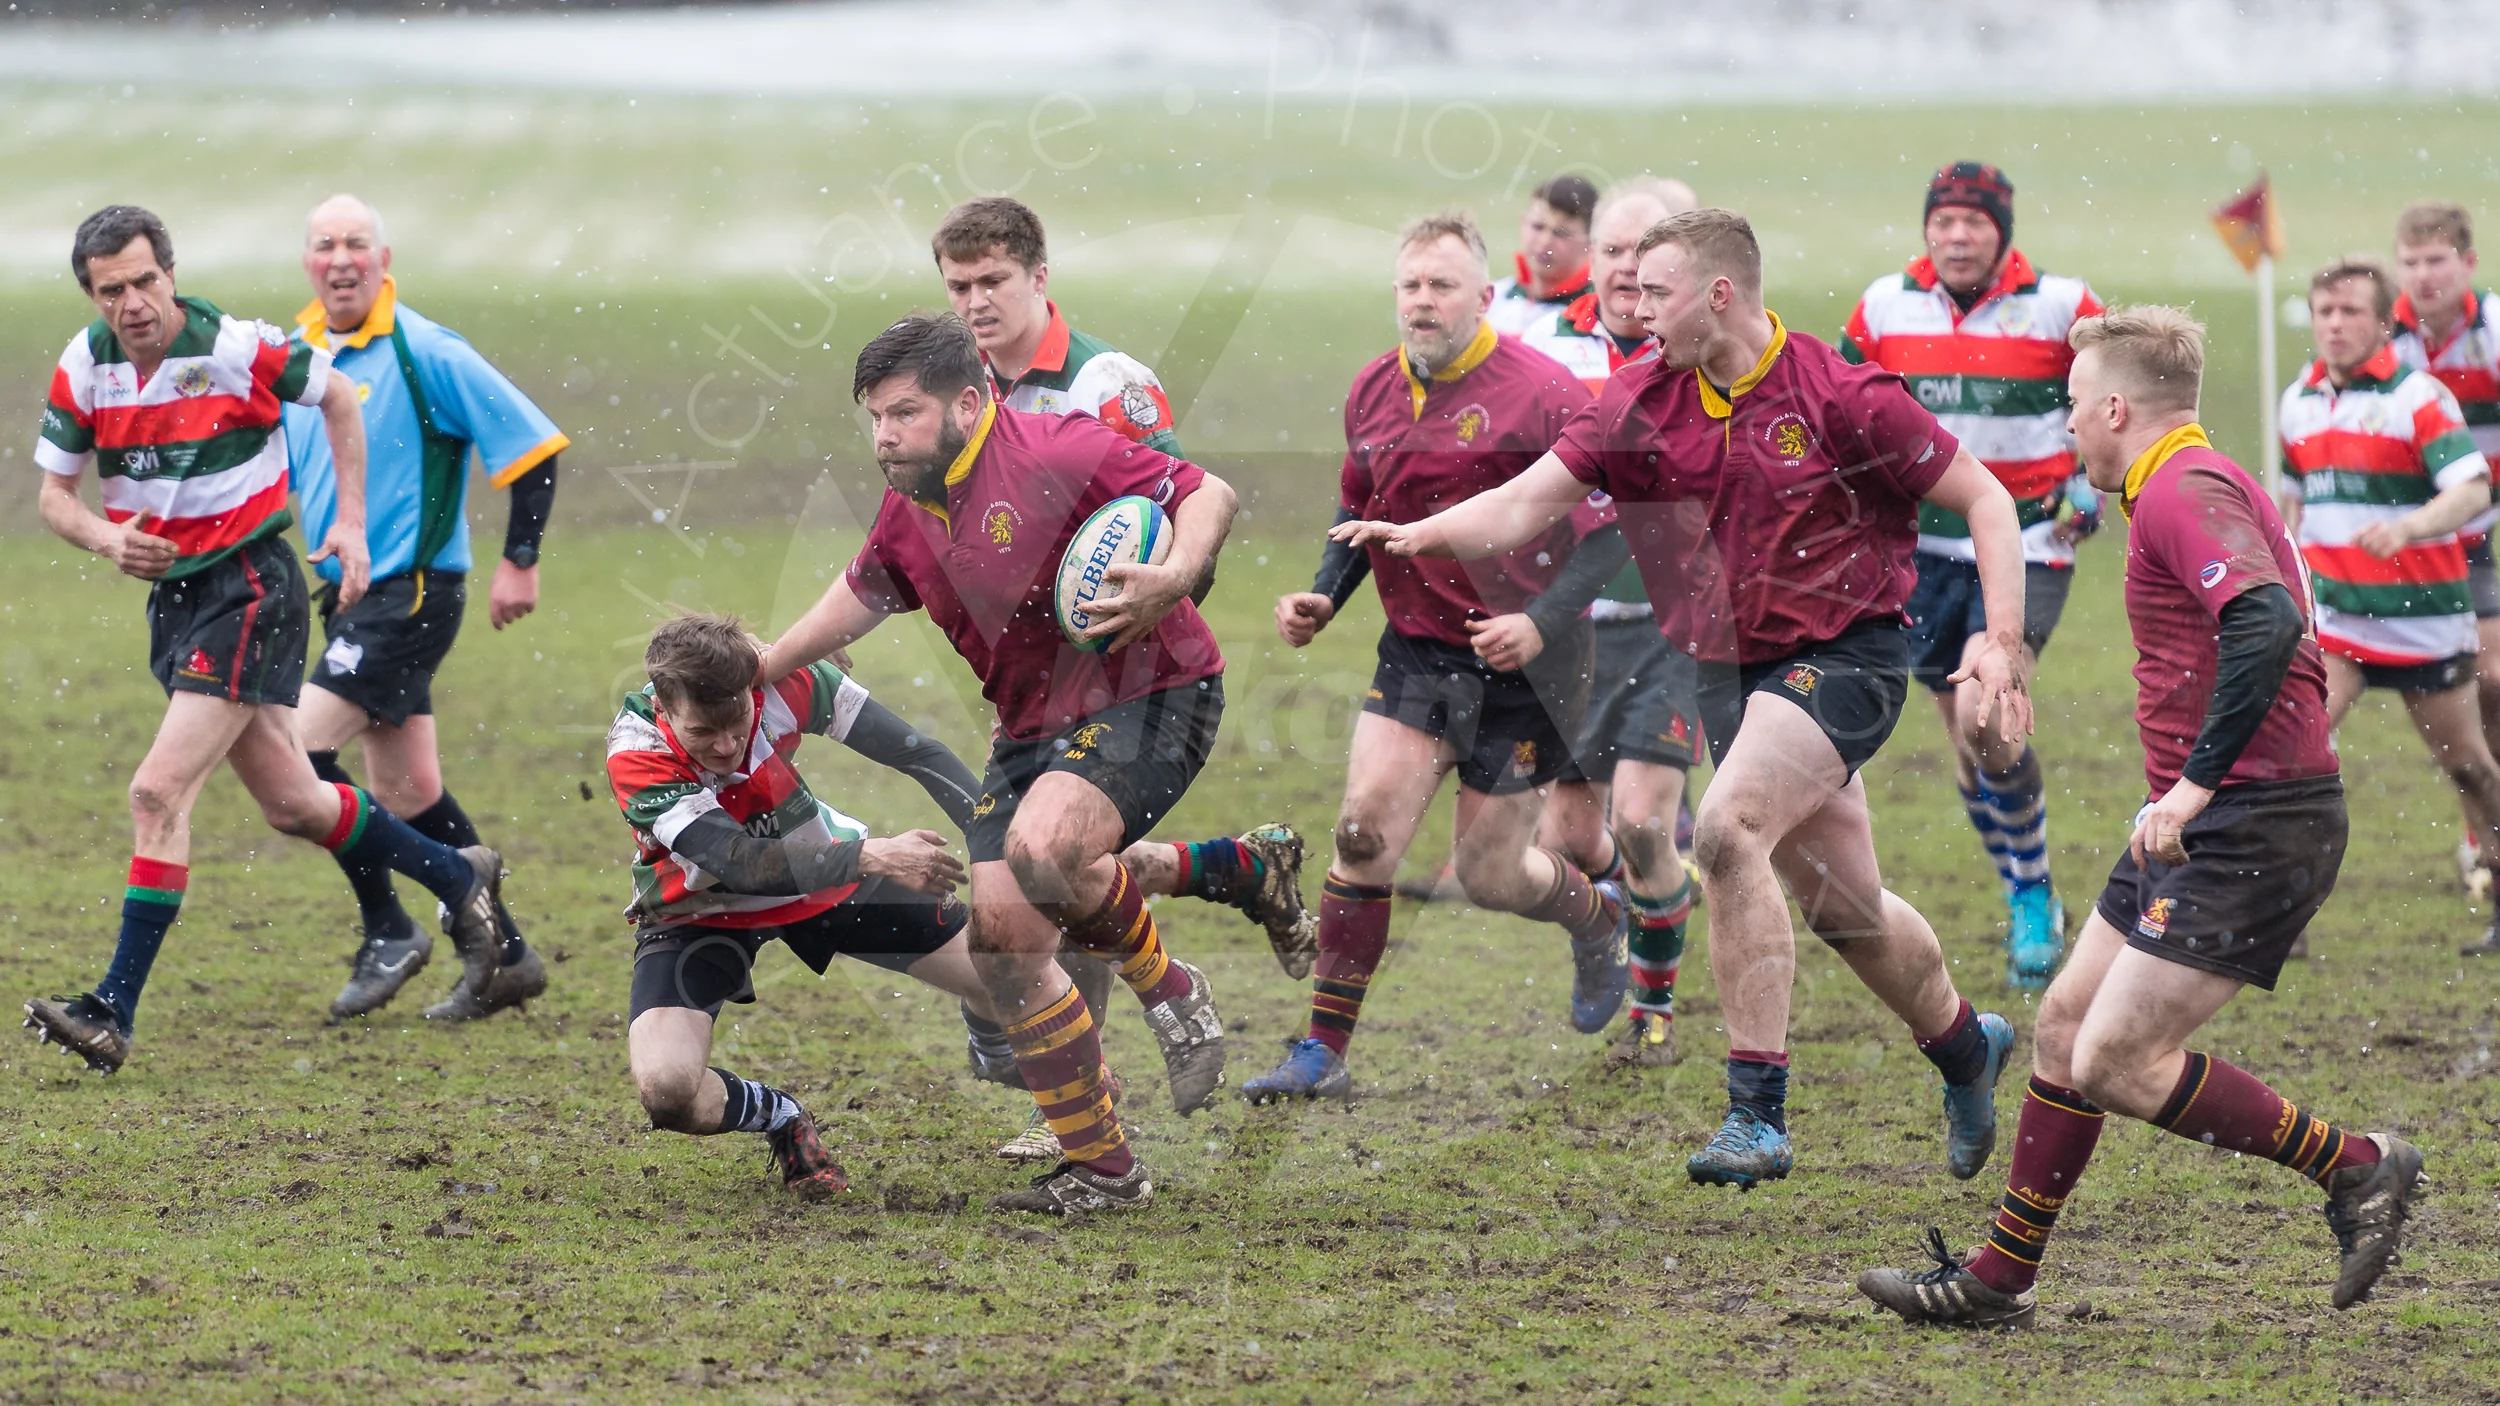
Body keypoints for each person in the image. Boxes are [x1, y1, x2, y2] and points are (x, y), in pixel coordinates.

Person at [1331, 209, 2022, 1189]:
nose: (1631, 306)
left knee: (1726, 831)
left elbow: (1986, 499)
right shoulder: (1637, 398)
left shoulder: (1841, 393)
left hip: (1849, 654)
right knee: (1844, 907)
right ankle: (1964, 1046)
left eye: (1655, 292)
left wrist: (1999, 646)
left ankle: (1755, 1111)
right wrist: (1417, 532)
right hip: (1727, 668)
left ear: (1719, 294)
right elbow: (1525, 503)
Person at [1857, 307, 2421, 1328]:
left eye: (2072, 406)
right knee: (2066, 1028)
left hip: (2255, 818)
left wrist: (2195, 783)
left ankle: (2359, 1166)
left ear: (2116, 407)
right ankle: (1999, 1275)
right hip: (2206, 815)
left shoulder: (2180, 487)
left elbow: (2266, 619)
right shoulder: (2182, 481)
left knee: (2117, 1058)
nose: (2065, 426)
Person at [761, 313, 1240, 1214]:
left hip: (1156, 693)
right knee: (1006, 947)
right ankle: (1107, 1171)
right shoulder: (912, 502)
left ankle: (1168, 992)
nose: (884, 437)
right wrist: (768, 664)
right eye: (874, 418)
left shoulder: (1058, 448)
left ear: (970, 403)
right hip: (1031, 729)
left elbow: (1208, 491)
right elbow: (864, 592)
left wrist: (1176, 574)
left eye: (903, 414)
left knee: (1043, 849)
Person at [23, 206, 504, 1073]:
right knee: (295, 803)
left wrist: (350, 526)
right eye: (110, 291)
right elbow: (54, 496)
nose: (132, 303)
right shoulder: (84, 366)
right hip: (174, 599)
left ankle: (112, 1010)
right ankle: (454, 876)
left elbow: (340, 397)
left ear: (170, 274)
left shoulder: (235, 346)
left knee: (156, 793)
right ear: (91, 295)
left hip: (249, 586)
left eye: (144, 282)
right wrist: (105, 538)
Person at [928, 197, 1313, 1159]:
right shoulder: (956, 388)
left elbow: (1186, 513)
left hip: (1133, 673)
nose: (975, 303)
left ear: (1038, 276)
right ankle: (1234, 868)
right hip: (1028, 686)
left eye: (993, 283)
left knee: (1054, 864)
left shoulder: (1104, 381)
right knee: (1048, 874)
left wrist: (1165, 588)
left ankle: (1080, 1113)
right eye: (958, 286)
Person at [1247, 210, 1629, 1106]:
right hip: (1418, 653)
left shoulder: (1545, 394)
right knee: (1362, 831)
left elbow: (1612, 538)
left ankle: (1597, 915)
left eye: (1443, 285)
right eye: (1411, 285)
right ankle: (1323, 1050)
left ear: (1485, 297)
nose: (1423, 301)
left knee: (1496, 878)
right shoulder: (1371, 391)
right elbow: (1357, 513)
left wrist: (1537, 621)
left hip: (1535, 665)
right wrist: (1321, 597)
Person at [616, 614, 1020, 1201]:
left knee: (1011, 974)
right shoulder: (638, 752)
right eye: (704, 733)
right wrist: (868, 856)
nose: (726, 746)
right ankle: (781, 1117)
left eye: (737, 722)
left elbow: (921, 754)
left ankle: (1000, 1055)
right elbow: (739, 862)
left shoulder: (781, 679)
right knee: (668, 1090)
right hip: (700, 911)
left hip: (821, 881)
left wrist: (997, 850)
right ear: (665, 706)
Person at [283, 194, 565, 1022]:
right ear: (308, 262)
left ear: (384, 258)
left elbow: (535, 447)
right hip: (345, 597)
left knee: (299, 754)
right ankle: (507, 956)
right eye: (325, 244)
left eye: (357, 243)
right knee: (408, 791)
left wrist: (520, 562)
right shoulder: (295, 356)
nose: (341, 258)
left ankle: (390, 926)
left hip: (409, 591)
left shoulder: (426, 350)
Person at [1842, 162, 2106, 990]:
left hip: (2028, 544)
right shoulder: (1885, 306)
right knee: (1972, 746)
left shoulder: (2064, 306)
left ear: (2003, 231)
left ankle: (2031, 892)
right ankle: (2027, 881)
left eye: (1974, 223)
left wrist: (2089, 481)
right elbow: (1838, 407)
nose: (1956, 237)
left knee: (1987, 716)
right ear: (1926, 229)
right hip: (1918, 552)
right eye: (1943, 222)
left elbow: (2122, 397)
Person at [1522, 176, 1707, 1067]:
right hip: (1568, 631)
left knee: (1640, 822)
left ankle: (1653, 1005)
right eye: (1612, 252)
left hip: (1677, 629)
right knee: (1566, 839)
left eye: (1647, 253)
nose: (1628, 271)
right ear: (1588, 259)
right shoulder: (1535, 351)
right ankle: (1630, 915)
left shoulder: (1715, 355)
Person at [2283, 255, 2500, 953]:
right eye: (2325, 311)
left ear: (2384, 323)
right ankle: (2277, 914)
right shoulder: (2301, 400)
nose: (2336, 324)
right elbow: (2295, 499)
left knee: (2468, 766)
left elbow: (2472, 490)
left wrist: (2407, 527)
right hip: (2339, 623)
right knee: (2290, 756)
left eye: (2351, 312)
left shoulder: (2418, 398)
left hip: (2424, 622)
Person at [2391, 201, 2500, 923]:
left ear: (2467, 264)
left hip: (2483, 528)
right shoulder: (2384, 334)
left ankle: (2481, 827)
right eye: (2412, 261)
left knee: (2491, 684)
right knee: (2462, 700)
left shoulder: (2491, 329)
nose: (2424, 275)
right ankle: (2479, 825)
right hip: (2411, 542)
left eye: (2438, 260)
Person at [1485, 175, 1599, 338]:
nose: (1545, 242)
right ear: (1522, 222)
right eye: (1538, 227)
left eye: (1561, 233)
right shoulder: (1491, 299)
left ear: (1590, 243)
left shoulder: (1598, 315)